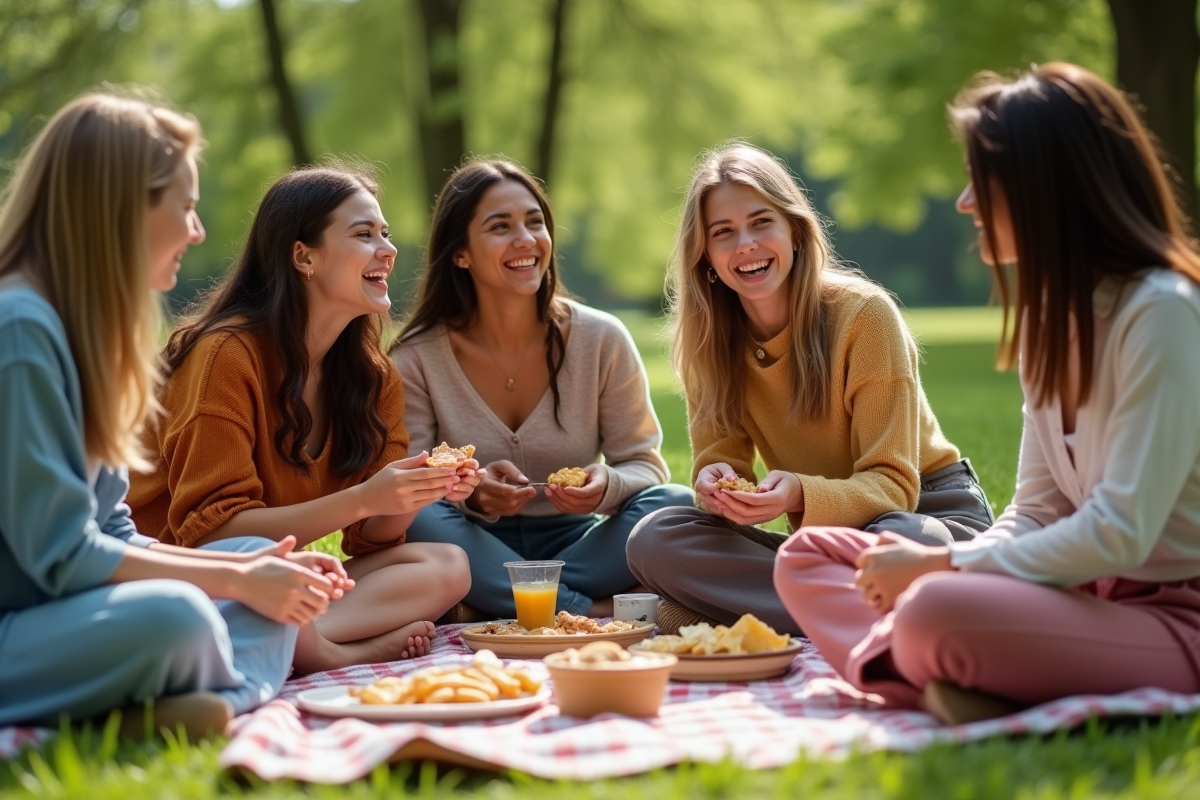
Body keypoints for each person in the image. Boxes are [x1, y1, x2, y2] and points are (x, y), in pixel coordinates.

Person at [774, 62, 1200, 725]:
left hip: (1172, 617)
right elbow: (1035, 510)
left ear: (1044, 185)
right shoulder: (1049, 319)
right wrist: (942, 568)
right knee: (807, 556)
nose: (964, 202)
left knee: (933, 610)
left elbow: (1121, 533)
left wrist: (943, 566)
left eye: (981, 181)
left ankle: (929, 666)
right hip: (1075, 593)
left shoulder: (1162, 311)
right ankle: (952, 674)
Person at [0, 92, 352, 739]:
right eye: (185, 207)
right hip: (20, 624)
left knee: (255, 554)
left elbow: (112, 527)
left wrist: (254, 568)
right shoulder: (21, 329)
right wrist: (240, 579)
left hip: (64, 612)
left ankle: (183, 705)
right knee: (179, 614)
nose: (197, 231)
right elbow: (61, 555)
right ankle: (215, 694)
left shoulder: (89, 335)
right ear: (121, 208)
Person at [627, 143, 993, 635]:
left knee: (900, 538)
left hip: (924, 515)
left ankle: (752, 610)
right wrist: (717, 487)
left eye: (761, 222)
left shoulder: (864, 315)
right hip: (826, 545)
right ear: (707, 256)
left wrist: (798, 494)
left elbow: (895, 488)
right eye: (723, 233)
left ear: (795, 232)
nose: (746, 245)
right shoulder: (709, 344)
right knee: (655, 537)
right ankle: (852, 610)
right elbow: (725, 468)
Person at [129, 163, 472, 674]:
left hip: (270, 582)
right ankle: (315, 648)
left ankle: (281, 641)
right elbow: (215, 536)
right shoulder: (225, 355)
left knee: (446, 565)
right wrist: (362, 498)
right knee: (266, 562)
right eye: (363, 234)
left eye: (385, 233)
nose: (388, 249)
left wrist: (413, 491)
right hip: (184, 581)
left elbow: (371, 539)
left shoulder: (372, 377)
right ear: (303, 256)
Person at [390, 158, 693, 620]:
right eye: (500, 226)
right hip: (470, 541)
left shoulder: (601, 339)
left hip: (581, 543)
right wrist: (471, 493)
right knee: (414, 517)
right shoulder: (415, 359)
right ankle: (586, 609)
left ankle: (493, 603)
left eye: (535, 222)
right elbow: (410, 481)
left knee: (675, 505)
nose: (526, 239)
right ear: (460, 253)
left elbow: (645, 466)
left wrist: (607, 485)